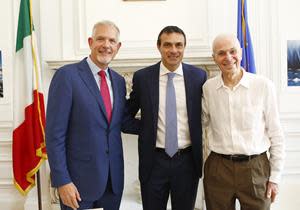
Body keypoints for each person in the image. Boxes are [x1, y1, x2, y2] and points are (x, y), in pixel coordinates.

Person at [46, 20, 138, 210]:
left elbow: (120, 122)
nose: (106, 45)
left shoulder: (119, 82)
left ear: (118, 47)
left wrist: (162, 126)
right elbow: (54, 135)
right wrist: (62, 181)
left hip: (113, 184)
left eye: (112, 41)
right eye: (100, 39)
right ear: (90, 42)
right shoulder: (67, 76)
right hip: (77, 186)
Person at [126, 26, 207, 210]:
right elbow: (125, 116)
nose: (173, 50)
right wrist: (146, 128)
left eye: (179, 45)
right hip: (153, 162)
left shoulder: (198, 77)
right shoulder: (143, 78)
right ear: (159, 47)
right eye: (168, 45)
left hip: (187, 161)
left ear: (185, 47)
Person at [202, 34, 285, 210]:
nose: (228, 58)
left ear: (240, 52)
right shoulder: (208, 88)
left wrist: (275, 178)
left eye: (233, 51)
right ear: (214, 58)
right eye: (221, 53)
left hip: (256, 168)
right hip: (218, 168)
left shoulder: (263, 86)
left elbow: (276, 134)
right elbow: (200, 125)